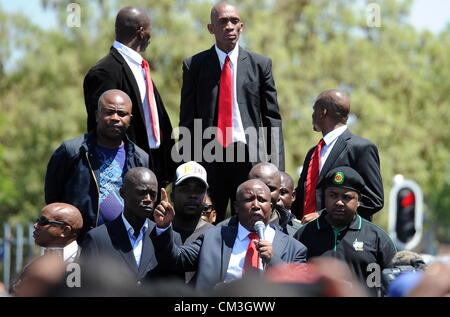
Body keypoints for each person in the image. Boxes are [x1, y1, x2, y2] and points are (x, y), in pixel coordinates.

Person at [178, 1, 284, 222]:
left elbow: (272, 119)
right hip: (209, 157)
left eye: (234, 21)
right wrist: (187, 166)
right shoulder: (194, 66)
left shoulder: (260, 65)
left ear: (242, 26)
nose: (229, 26)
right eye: (223, 22)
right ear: (211, 28)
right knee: (206, 221)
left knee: (249, 220)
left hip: (248, 156)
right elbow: (187, 120)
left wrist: (277, 169)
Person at [152, 179, 307, 293]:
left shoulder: (294, 248)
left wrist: (273, 260)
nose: (256, 205)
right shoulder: (213, 237)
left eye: (261, 200)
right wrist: (164, 228)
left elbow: (301, 289)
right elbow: (175, 259)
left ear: (271, 207)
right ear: (236, 207)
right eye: (248, 199)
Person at [83, 6, 175, 187]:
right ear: (141, 32)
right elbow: (102, 126)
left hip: (154, 164)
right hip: (123, 169)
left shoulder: (141, 68)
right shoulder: (105, 71)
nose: (151, 35)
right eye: (149, 29)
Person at [45, 90, 149, 239]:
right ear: (97, 115)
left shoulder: (140, 158)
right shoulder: (72, 151)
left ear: (130, 118)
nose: (115, 118)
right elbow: (52, 199)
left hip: (123, 244)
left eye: (122, 113)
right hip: (79, 242)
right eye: (109, 112)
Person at [294, 166, 396, 294]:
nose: (339, 202)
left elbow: (393, 284)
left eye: (346, 197)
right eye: (333, 195)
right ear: (324, 197)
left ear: (359, 200)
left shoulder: (378, 239)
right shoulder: (304, 235)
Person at [292, 89, 383, 223]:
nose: (312, 115)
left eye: (314, 110)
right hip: (306, 236)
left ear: (323, 112)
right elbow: (303, 196)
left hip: (341, 239)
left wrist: (323, 216)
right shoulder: (313, 153)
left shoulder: (361, 148)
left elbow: (373, 200)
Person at [80, 167, 178, 285]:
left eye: (153, 194)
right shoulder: (97, 239)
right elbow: (86, 287)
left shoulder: (168, 237)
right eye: (141, 192)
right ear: (123, 193)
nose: (148, 199)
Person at [248, 163, 302, 236]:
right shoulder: (229, 231)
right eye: (258, 188)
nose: (264, 194)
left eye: (270, 189)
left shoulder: (299, 233)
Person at [168, 161, 214, 244]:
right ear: (172, 196)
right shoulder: (157, 232)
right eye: (185, 189)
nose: (192, 195)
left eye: (199, 190)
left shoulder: (216, 236)